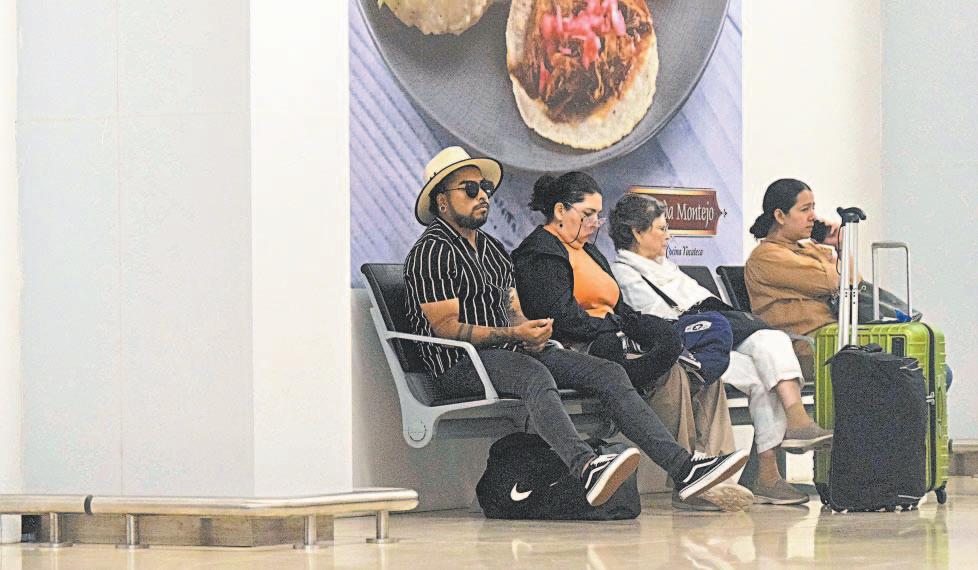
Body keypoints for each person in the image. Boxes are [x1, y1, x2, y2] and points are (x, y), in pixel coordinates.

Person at [404, 147, 751, 509]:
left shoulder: (491, 250)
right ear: (442, 201)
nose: (483, 196)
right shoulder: (432, 250)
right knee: (534, 376)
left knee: (608, 372)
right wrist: (515, 336)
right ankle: (585, 466)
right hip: (458, 363)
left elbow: (512, 310)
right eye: (470, 189)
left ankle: (684, 469)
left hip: (508, 352)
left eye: (486, 188)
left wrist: (531, 332)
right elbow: (444, 329)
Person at [510, 171, 753, 511]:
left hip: (610, 340)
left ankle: (713, 471)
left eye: (598, 215)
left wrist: (650, 329)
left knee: (702, 375)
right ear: (560, 210)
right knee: (672, 373)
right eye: (587, 214)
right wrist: (615, 327)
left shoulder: (589, 252)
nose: (595, 223)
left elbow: (620, 309)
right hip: (579, 347)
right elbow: (561, 317)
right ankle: (688, 475)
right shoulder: (540, 253)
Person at [608, 192, 833, 505]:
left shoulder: (666, 267)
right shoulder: (623, 272)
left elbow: (704, 302)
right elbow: (659, 319)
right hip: (688, 347)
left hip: (712, 333)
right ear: (637, 233)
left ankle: (796, 420)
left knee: (774, 340)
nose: (668, 235)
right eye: (662, 228)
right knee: (759, 377)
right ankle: (765, 474)